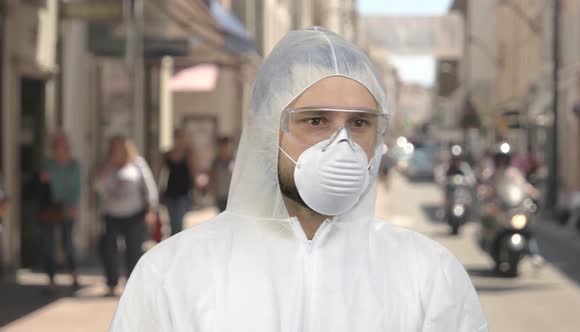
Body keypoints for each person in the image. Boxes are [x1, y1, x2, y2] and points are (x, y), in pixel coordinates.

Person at [110, 27, 488, 331]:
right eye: (316, 120)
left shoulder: (427, 276)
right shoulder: (173, 274)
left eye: (359, 123)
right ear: (265, 131)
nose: (342, 145)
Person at [95, 136, 158, 296]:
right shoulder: (106, 165)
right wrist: (108, 167)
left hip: (134, 214)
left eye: (119, 147)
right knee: (109, 248)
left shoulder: (137, 163)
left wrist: (150, 210)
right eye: (113, 148)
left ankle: (132, 283)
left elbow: (149, 187)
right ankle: (111, 282)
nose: (116, 151)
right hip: (112, 214)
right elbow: (97, 187)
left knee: (133, 249)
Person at [40, 132, 81, 292]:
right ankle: (51, 279)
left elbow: (77, 188)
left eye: (63, 145)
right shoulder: (48, 164)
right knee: (48, 244)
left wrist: (74, 206)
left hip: (67, 208)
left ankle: (74, 273)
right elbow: (43, 186)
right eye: (57, 145)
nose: (60, 148)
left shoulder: (74, 165)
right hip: (50, 208)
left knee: (67, 243)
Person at [159, 129, 197, 236]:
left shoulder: (188, 154)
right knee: (171, 221)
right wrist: (160, 189)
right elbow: (161, 174)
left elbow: (193, 172)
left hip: (183, 192)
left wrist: (194, 191)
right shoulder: (166, 155)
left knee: (179, 220)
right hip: (170, 191)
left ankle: (179, 241)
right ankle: (173, 241)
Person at [209, 136, 234, 212]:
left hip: (233, 196)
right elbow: (212, 178)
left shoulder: (235, 161)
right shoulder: (216, 163)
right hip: (220, 196)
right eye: (224, 146)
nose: (226, 149)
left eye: (228, 147)